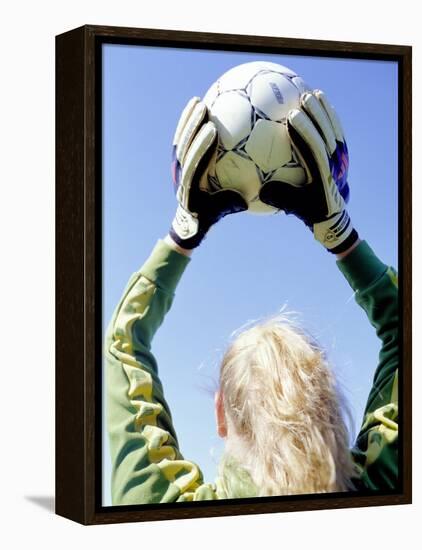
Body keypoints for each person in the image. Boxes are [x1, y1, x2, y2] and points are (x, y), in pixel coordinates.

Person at [105, 91, 398, 505]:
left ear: (221, 413)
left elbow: (123, 343)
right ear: (331, 407)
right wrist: (339, 233)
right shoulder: (383, 488)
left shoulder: (161, 507)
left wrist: (182, 233)